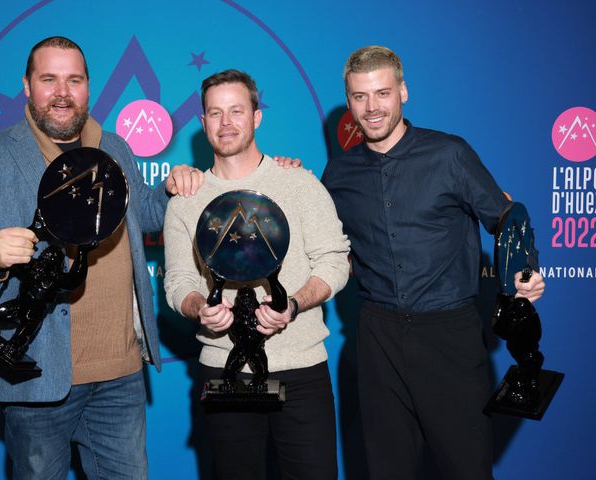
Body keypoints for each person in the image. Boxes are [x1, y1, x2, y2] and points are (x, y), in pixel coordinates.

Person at [0, 36, 205, 479]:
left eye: (74, 80)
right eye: (49, 79)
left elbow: (142, 216)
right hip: (36, 379)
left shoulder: (114, 148)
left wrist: (173, 186)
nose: (62, 92)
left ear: (87, 87)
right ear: (26, 86)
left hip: (120, 374)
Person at [321, 46, 546, 480]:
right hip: (377, 339)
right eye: (360, 97)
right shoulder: (338, 175)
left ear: (403, 91)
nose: (372, 108)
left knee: (467, 469)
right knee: (387, 470)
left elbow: (504, 216)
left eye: (382, 93)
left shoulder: (450, 154)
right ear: (348, 102)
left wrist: (525, 270)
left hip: (450, 336)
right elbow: (334, 252)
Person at [163, 69, 351, 479]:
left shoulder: (298, 183)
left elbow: (335, 261)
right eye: (215, 113)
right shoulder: (185, 201)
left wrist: (295, 304)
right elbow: (177, 282)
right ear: (202, 123)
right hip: (223, 372)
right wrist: (198, 309)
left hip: (301, 370)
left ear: (257, 117)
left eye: (236, 111)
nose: (226, 123)